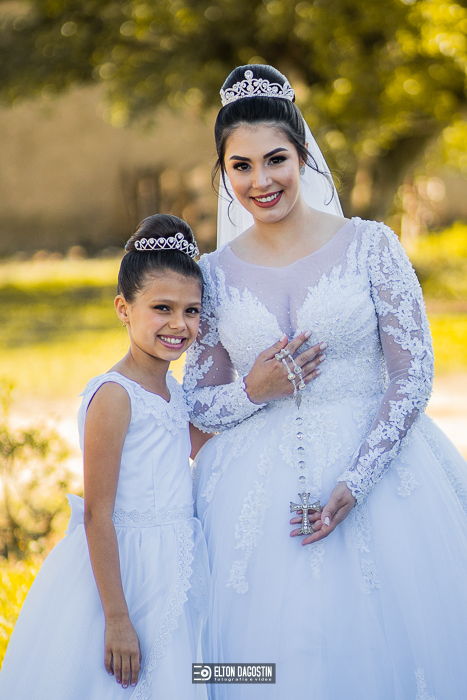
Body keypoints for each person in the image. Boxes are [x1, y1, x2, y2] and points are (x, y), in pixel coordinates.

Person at [183, 65, 467, 699]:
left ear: (303, 156)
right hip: (252, 502)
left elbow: (412, 374)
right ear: (223, 172)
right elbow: (197, 404)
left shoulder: (370, 246)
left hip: (382, 480)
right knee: (268, 661)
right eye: (241, 166)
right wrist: (254, 390)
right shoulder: (213, 275)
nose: (261, 181)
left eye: (275, 160)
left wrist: (355, 482)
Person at [0, 215, 209, 700]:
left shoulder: (172, 389)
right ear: (123, 308)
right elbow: (97, 514)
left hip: (175, 562)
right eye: (162, 308)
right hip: (126, 573)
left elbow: (202, 445)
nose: (179, 324)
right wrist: (117, 618)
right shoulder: (114, 396)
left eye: (192, 311)